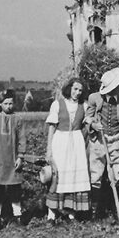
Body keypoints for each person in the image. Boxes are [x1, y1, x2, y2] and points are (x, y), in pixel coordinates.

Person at [44, 78, 91, 224]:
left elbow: (88, 124)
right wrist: (49, 150)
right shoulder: (57, 104)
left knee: (73, 177)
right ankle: (51, 214)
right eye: (75, 89)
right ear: (69, 88)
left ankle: (71, 213)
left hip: (76, 143)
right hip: (60, 142)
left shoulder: (84, 106)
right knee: (58, 176)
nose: (77, 93)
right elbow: (51, 128)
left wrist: (91, 123)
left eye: (80, 90)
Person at [85, 67, 119, 219]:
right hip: (99, 141)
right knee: (96, 174)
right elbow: (87, 117)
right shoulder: (94, 98)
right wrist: (93, 125)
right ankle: (95, 210)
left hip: (116, 139)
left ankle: (115, 208)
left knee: (116, 174)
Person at [0, 89, 27, 228]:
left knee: (15, 190)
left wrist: (20, 157)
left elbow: (22, 139)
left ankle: (18, 216)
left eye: (11, 103)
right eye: (6, 103)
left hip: (13, 160)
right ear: (0, 104)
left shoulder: (18, 119)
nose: (9, 106)